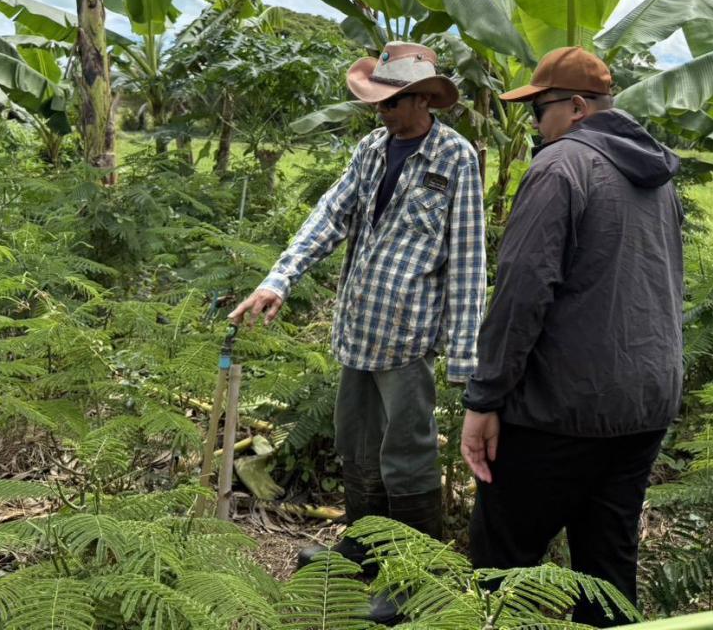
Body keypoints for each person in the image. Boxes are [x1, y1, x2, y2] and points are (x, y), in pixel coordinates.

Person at [230, 41, 485, 584]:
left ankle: (413, 576)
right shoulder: (372, 149)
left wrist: (465, 360)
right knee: (358, 447)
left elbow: (467, 259)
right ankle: (363, 551)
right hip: (358, 329)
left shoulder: (455, 158)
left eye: (391, 103)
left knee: (407, 456)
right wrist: (279, 280)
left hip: (407, 337)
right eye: (378, 103)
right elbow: (329, 216)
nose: (381, 112)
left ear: (423, 100)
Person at [460, 46, 684, 628]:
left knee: (501, 568)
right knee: (606, 574)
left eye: (539, 111)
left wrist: (484, 399)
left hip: (563, 408)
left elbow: (521, 294)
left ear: (578, 108)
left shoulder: (561, 166)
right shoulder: (657, 176)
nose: (535, 125)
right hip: (645, 405)